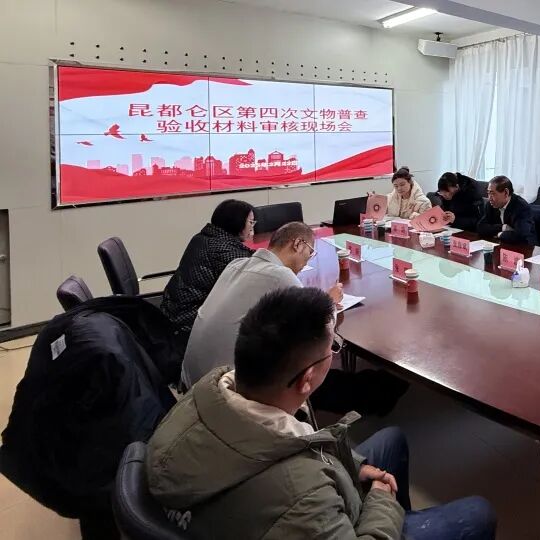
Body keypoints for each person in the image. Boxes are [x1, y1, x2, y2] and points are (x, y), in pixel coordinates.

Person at [147, 287, 497, 540]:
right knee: (477, 512)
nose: (334, 353)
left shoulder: (205, 395)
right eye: (333, 348)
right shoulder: (301, 496)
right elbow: (301, 491)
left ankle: (402, 520)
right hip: (313, 513)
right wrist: (381, 503)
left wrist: (356, 468)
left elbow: (301, 449)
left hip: (263, 505)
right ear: (307, 379)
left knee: (392, 440)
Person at [181, 222, 343, 387]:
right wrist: (329, 301)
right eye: (310, 252)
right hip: (224, 389)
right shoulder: (280, 276)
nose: (307, 261)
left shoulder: (235, 264)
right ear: (298, 244)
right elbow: (319, 328)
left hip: (192, 380)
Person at [160, 199, 256, 343]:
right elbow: (257, 269)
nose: (252, 227)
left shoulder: (203, 237)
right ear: (236, 223)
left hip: (172, 311)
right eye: (251, 222)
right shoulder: (221, 250)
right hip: (188, 321)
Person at [477, 176, 538, 245]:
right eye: (488, 193)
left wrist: (500, 234)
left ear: (506, 193)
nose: (489, 198)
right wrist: (503, 227)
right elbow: (481, 227)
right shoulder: (491, 204)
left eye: (492, 193)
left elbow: (520, 236)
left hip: (526, 247)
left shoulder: (521, 207)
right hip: (503, 244)